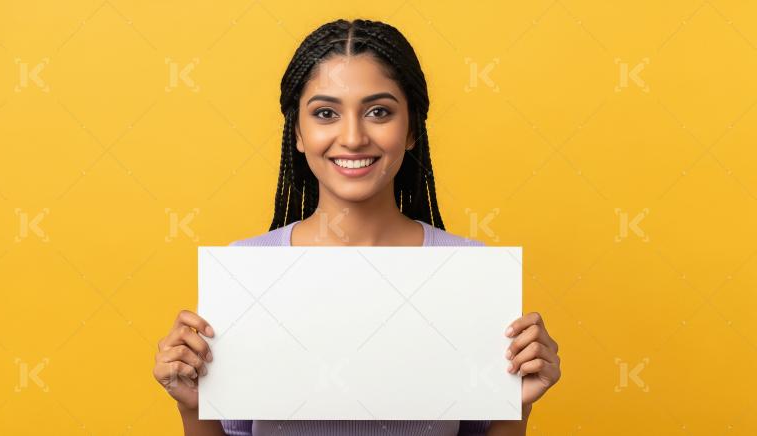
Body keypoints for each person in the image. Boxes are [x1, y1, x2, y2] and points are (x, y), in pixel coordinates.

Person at [152, 19, 561, 436]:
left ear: (412, 130)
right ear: (297, 131)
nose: (352, 137)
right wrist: (193, 407)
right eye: (325, 113)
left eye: (378, 112)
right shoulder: (246, 271)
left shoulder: (469, 270)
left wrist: (518, 406)